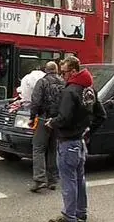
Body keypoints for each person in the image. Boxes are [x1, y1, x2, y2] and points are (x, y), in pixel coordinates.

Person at [45, 56, 107, 222]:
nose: (62, 76)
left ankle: (69, 216)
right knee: (79, 180)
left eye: (64, 72)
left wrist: (52, 122)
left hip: (67, 142)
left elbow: (64, 118)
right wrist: (87, 132)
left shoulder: (70, 90)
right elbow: (101, 115)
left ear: (73, 71)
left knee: (68, 182)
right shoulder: (89, 89)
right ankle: (81, 212)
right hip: (80, 142)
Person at [28, 61, 65, 192]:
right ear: (56, 70)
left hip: (44, 119)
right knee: (53, 149)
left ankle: (39, 180)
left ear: (46, 70)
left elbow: (35, 101)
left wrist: (32, 117)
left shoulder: (42, 82)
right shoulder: (63, 82)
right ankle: (53, 180)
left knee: (38, 148)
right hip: (57, 120)